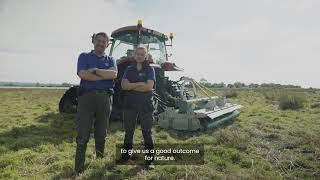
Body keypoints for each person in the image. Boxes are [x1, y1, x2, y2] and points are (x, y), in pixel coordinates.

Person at [75, 32, 117, 175]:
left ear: (107, 44)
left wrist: (95, 71)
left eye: (104, 42)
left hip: (105, 99)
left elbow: (113, 75)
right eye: (99, 41)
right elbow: (83, 74)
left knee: (101, 133)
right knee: (83, 134)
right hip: (87, 98)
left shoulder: (111, 59)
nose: (101, 44)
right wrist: (104, 77)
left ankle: (99, 162)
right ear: (93, 41)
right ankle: (79, 168)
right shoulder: (84, 56)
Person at [121, 46, 156, 169]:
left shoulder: (150, 69)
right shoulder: (129, 69)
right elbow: (124, 86)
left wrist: (132, 86)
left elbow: (149, 87)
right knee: (129, 131)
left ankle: (150, 160)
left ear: (145, 56)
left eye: (142, 54)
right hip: (130, 104)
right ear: (134, 55)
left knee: (147, 132)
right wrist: (140, 83)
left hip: (146, 105)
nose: (140, 56)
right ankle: (125, 157)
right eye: (138, 54)